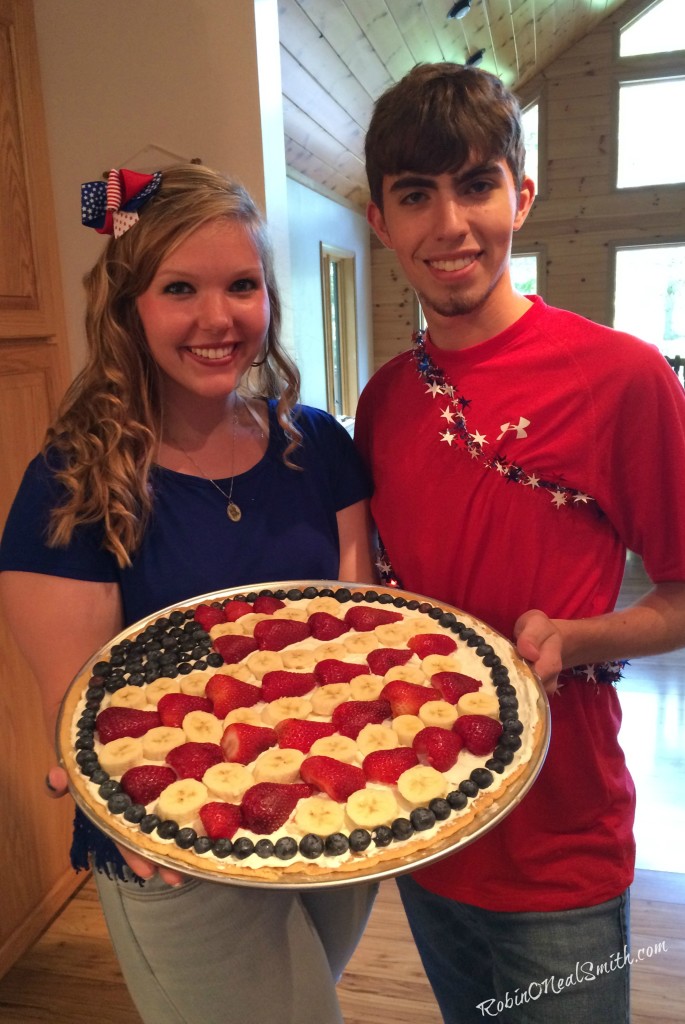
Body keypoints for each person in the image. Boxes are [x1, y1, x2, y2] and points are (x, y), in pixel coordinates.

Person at [0, 163, 377, 1024]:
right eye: (181, 289)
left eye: (241, 285)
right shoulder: (75, 482)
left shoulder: (316, 445)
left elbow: (363, 631)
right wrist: (119, 798)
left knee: (311, 997)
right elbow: (86, 713)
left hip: (329, 801)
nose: (219, 318)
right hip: (176, 842)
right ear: (129, 307)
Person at [354, 63, 685, 1024]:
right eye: (416, 195)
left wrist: (577, 639)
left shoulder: (623, 380)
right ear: (381, 219)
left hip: (563, 844)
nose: (448, 224)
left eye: (474, 184)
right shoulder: (381, 405)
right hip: (423, 823)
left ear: (521, 194)